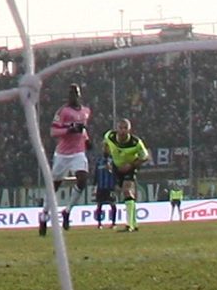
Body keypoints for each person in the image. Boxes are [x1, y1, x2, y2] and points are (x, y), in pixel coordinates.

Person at [42, 83, 91, 236]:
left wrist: (87, 139)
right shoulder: (63, 112)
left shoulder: (85, 111)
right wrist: (68, 129)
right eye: (70, 94)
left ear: (79, 95)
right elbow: (53, 131)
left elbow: (82, 130)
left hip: (78, 152)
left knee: (82, 180)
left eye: (75, 93)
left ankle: (67, 211)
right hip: (62, 154)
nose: (73, 96)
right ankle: (44, 215)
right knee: (54, 186)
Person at [102, 118, 150, 232]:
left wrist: (131, 165)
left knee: (127, 190)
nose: (123, 131)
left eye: (125, 128)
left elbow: (145, 157)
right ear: (116, 129)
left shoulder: (136, 142)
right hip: (116, 167)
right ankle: (134, 223)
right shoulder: (110, 136)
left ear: (130, 130)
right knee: (123, 192)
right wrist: (107, 160)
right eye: (120, 128)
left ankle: (130, 225)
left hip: (130, 168)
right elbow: (105, 145)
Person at [92, 155, 117, 229]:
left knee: (113, 204)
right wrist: (94, 185)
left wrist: (117, 183)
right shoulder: (99, 161)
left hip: (110, 186)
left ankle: (114, 223)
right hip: (101, 187)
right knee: (99, 205)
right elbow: (96, 174)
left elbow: (116, 173)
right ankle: (99, 223)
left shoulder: (113, 161)